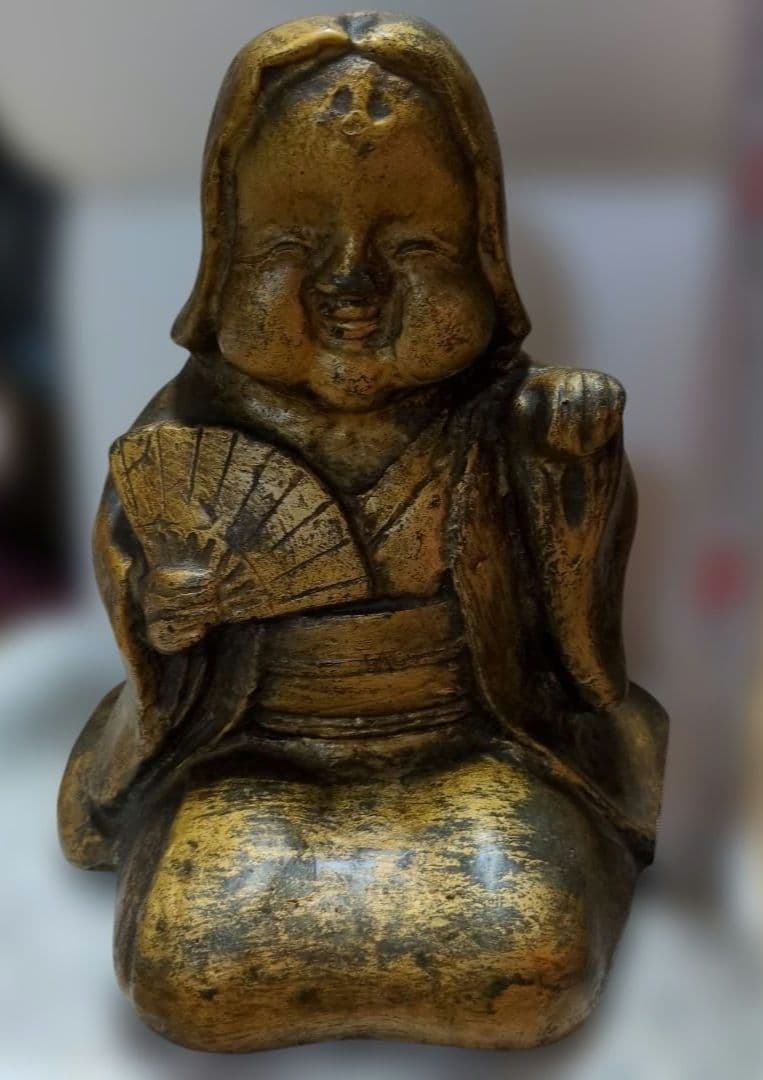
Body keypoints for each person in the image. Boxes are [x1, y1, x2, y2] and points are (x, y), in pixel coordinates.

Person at [59, 13, 667, 1051]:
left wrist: (572, 474)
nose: (351, 288)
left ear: (482, 257)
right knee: (190, 962)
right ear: (224, 258)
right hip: (255, 755)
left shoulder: (505, 420)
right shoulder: (190, 431)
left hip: (470, 749)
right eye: (291, 246)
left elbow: (573, 645)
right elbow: (144, 616)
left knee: (530, 953)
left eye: (412, 246)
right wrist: (170, 615)